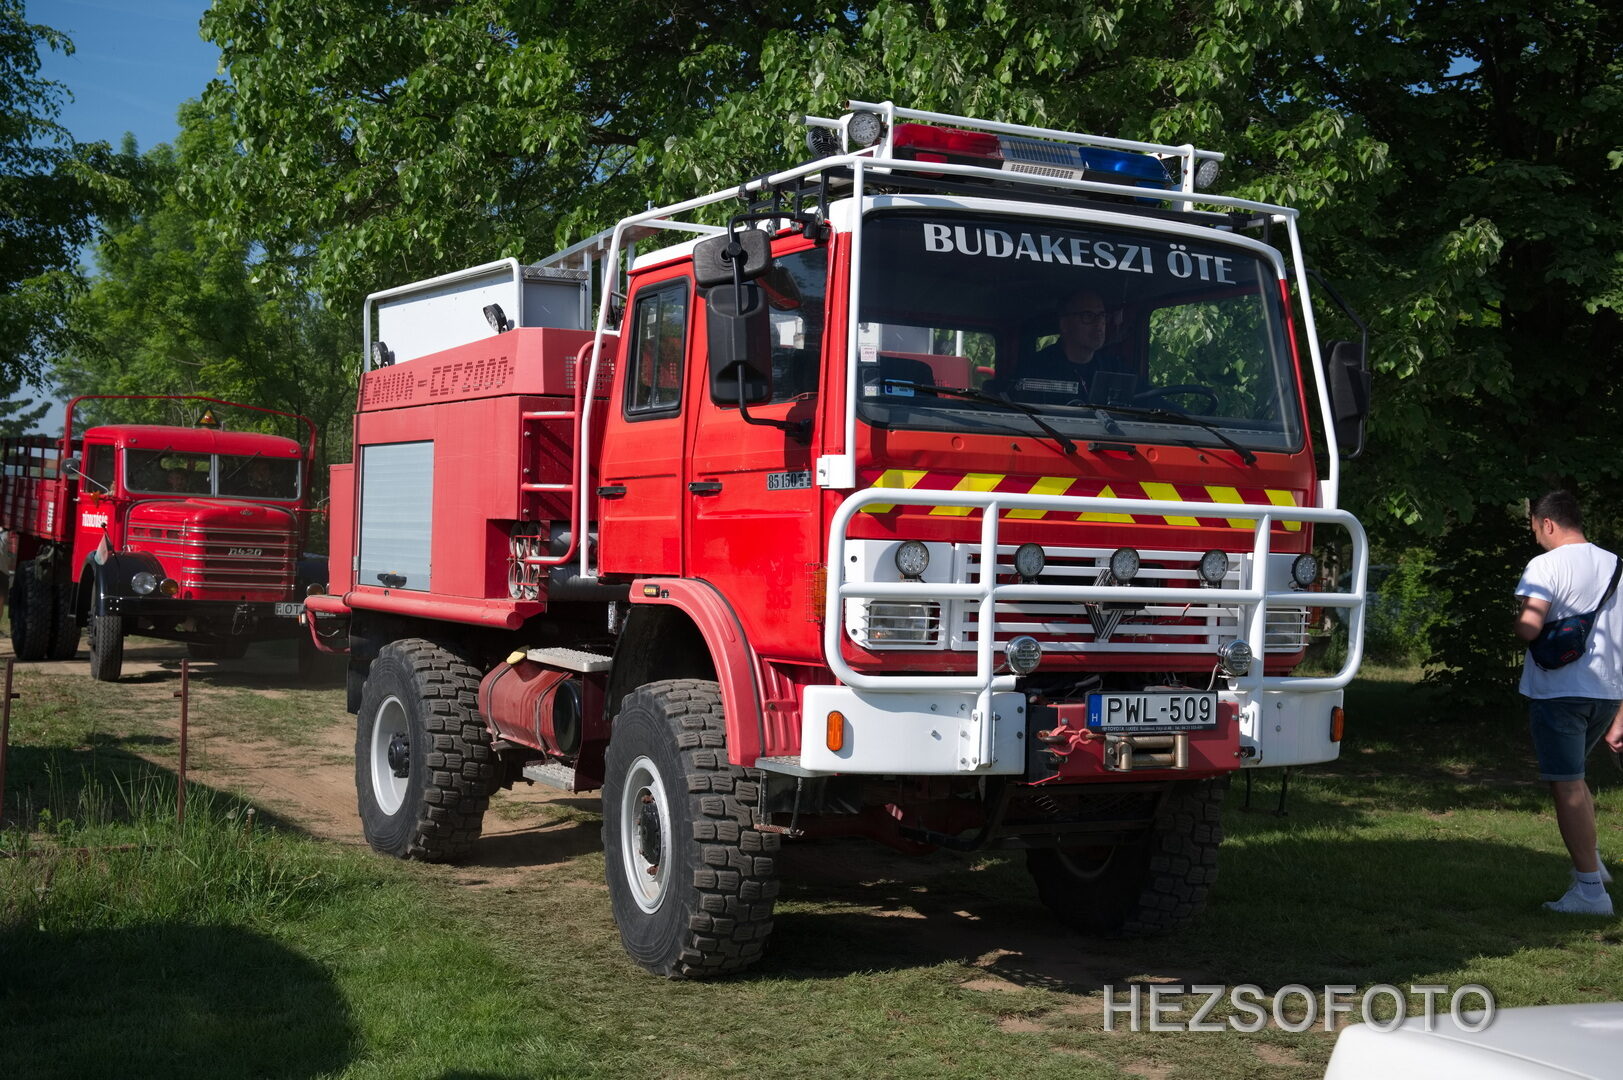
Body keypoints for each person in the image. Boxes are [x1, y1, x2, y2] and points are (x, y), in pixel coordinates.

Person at [1513, 490, 1623, 915]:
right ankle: (1592, 864)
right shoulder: (1616, 565)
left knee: (1567, 785)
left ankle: (1590, 892)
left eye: (1534, 529)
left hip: (1560, 691)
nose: (1536, 537)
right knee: (1575, 778)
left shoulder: (1546, 564)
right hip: (1606, 692)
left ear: (1548, 523)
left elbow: (1529, 626)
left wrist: (1518, 619)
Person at [1005, 288, 1137, 404]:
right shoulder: (1036, 369)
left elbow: (1142, 404)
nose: (1098, 324)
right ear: (1065, 324)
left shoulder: (1115, 369)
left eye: (1102, 316)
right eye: (1088, 315)